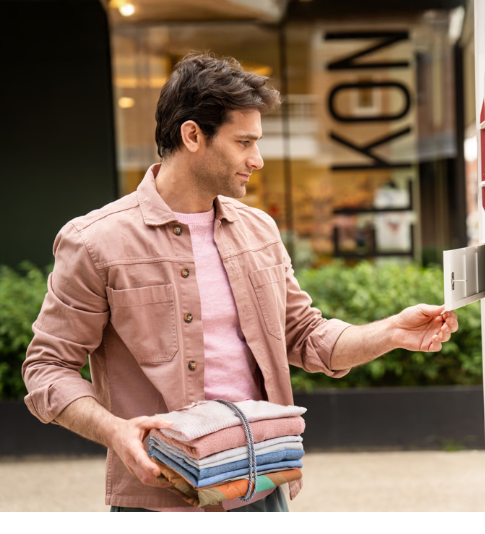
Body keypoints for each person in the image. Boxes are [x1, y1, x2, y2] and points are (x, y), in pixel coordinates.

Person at [21, 52, 459, 512]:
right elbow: (47, 367)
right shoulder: (96, 242)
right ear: (193, 135)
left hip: (261, 486)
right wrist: (116, 430)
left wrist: (390, 332)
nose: (258, 159)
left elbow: (306, 337)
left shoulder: (259, 230)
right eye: (244, 142)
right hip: (157, 498)